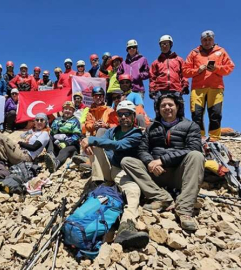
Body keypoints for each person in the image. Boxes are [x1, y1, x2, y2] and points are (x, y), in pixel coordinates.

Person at [121, 94, 204, 231]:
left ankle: (184, 210)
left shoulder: (190, 125)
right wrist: (150, 162)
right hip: (155, 174)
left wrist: (162, 161)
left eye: (170, 105)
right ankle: (162, 198)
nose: (167, 108)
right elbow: (142, 149)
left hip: (180, 173)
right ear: (158, 109)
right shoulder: (151, 127)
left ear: (177, 107)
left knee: (196, 156)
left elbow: (193, 148)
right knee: (127, 161)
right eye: (163, 105)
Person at [80, 101, 149, 249]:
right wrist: (89, 144)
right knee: (96, 144)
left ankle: (126, 225)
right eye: (121, 114)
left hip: (124, 170)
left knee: (133, 191)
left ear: (133, 116)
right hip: (111, 168)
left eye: (127, 114)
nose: (124, 117)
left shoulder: (137, 133)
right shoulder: (112, 131)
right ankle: (99, 183)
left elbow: (120, 145)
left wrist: (91, 139)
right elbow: (104, 142)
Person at [183, 30, 235, 141]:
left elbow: (230, 67)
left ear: (213, 40)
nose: (207, 42)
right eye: (205, 40)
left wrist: (216, 68)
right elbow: (184, 71)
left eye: (209, 39)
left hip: (216, 87)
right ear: (201, 41)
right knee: (196, 114)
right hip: (198, 88)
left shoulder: (221, 51)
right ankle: (199, 136)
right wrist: (197, 70)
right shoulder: (194, 52)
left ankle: (214, 138)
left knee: (215, 114)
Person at [44, 101, 82, 173]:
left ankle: (56, 163)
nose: (67, 111)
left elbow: (77, 135)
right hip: (57, 142)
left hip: (71, 144)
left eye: (70, 109)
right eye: (66, 109)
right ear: (62, 110)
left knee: (64, 151)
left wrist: (66, 143)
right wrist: (55, 132)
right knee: (49, 139)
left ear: (73, 111)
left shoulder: (75, 121)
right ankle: (50, 155)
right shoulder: (57, 120)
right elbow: (52, 133)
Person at [149, 35, 189, 100]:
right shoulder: (156, 62)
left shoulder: (179, 60)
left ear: (171, 44)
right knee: (161, 109)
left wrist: (185, 85)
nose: (164, 46)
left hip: (176, 90)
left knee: (178, 109)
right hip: (160, 91)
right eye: (162, 44)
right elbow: (152, 78)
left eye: (166, 44)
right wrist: (152, 89)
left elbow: (184, 74)